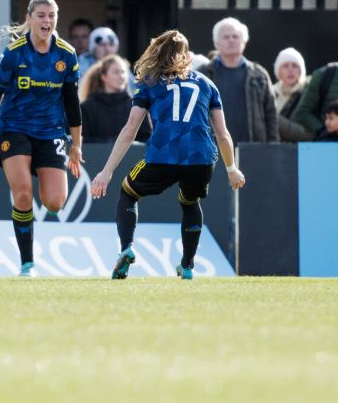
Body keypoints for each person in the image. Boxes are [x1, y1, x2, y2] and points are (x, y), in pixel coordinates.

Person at [90, 29, 245, 280]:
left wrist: (106, 171)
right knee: (190, 202)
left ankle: (127, 248)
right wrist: (232, 168)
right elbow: (222, 133)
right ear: (187, 55)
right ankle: (187, 266)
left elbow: (130, 129)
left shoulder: (149, 82)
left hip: (163, 155)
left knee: (128, 193)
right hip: (201, 157)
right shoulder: (207, 84)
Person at [0, 0, 83, 277]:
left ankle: (36, 165)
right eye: (41, 15)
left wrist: (76, 145)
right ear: (29, 18)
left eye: (52, 15)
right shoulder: (13, 53)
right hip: (14, 127)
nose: (47, 21)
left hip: (51, 130)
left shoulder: (66, 54)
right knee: (22, 195)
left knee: (55, 202)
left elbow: (71, 102)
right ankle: (27, 264)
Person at [200, 17, 278, 145]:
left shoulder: (259, 75)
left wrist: (273, 147)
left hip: (251, 150)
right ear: (216, 43)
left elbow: (271, 115)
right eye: (226, 37)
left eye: (235, 36)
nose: (231, 40)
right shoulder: (203, 74)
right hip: (212, 149)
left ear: (244, 41)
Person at [80, 54, 151, 142]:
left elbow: (147, 138)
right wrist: (111, 144)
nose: (121, 76)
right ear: (104, 76)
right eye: (116, 72)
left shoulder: (137, 106)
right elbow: (82, 141)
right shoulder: (86, 108)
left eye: (123, 72)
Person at [272, 47, 312, 142]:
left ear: (301, 70)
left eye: (295, 66)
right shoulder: (270, 93)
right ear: (279, 71)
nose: (291, 70)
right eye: (285, 66)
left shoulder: (308, 93)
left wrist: (274, 119)